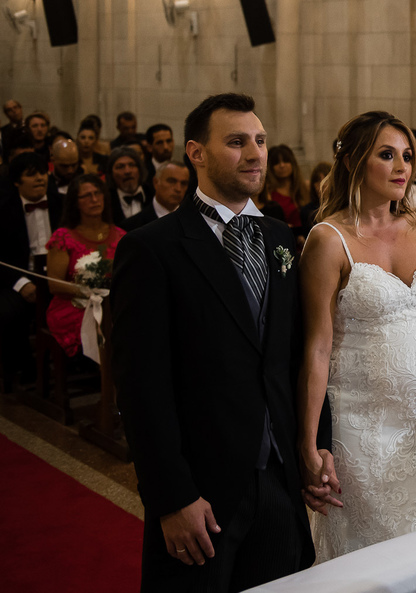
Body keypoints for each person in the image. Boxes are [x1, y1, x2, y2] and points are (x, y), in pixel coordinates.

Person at [112, 93, 335, 592]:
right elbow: (141, 388)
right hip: (202, 489)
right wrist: (172, 497)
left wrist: (314, 445)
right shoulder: (152, 248)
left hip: (279, 479)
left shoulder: (280, 238)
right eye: (236, 142)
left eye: (260, 140)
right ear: (196, 152)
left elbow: (297, 356)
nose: (255, 154)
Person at [298, 111, 416, 561]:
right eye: (387, 155)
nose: (402, 167)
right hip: (363, 431)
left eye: (407, 156)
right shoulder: (328, 239)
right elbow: (316, 348)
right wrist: (309, 442)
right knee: (375, 559)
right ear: (353, 160)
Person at [45, 175, 125, 357]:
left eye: (98, 193)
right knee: (106, 326)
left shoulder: (121, 235)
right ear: (75, 202)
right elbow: (54, 284)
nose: (94, 199)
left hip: (113, 306)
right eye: (87, 195)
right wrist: (90, 291)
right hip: (74, 306)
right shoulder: (63, 237)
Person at [0, 152, 61, 390]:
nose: (40, 178)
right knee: (8, 313)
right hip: (18, 277)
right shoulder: (4, 209)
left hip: (57, 275)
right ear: (17, 182)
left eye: (43, 173)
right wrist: (21, 283)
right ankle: (22, 369)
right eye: (31, 174)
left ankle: (76, 364)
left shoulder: (61, 203)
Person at [125, 160, 190, 230]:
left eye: (183, 183)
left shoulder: (192, 221)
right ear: (156, 182)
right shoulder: (132, 225)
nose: (178, 189)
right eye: (171, 181)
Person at [260, 145, 307, 230]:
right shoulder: (267, 192)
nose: (282, 165)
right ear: (270, 167)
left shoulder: (305, 187)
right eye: (276, 163)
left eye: (286, 161)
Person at [108, 146, 153, 230]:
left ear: (140, 169)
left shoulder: (154, 193)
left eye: (131, 165)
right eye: (120, 167)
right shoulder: (106, 201)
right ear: (111, 174)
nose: (127, 171)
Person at [297, 162, 331, 239]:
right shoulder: (307, 211)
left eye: (326, 179)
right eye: (318, 180)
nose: (322, 184)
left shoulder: (342, 207)